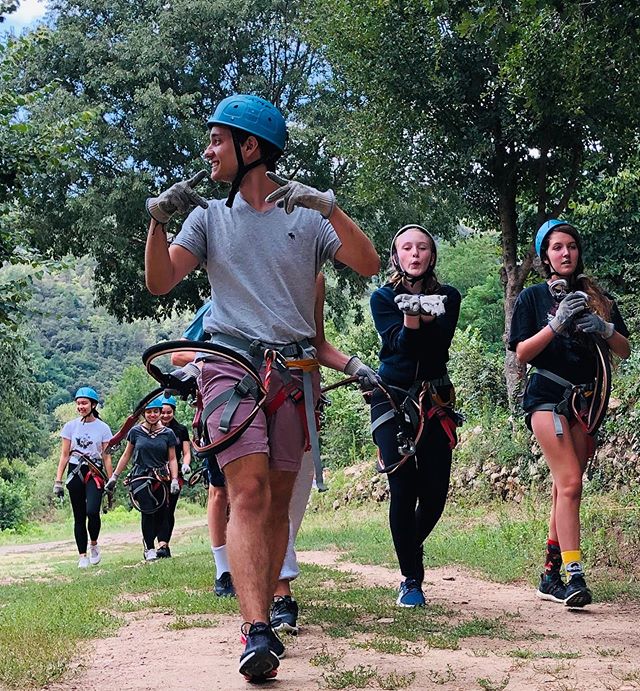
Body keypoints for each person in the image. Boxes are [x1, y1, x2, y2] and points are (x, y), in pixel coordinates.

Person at [144, 93, 379, 681]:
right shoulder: (208, 217)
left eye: (218, 139)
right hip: (229, 363)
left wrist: (330, 207)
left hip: (293, 371)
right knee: (246, 492)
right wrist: (157, 221)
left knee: (274, 502)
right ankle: (255, 630)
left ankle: (270, 608)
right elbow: (159, 281)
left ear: (250, 147)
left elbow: (369, 263)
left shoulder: (306, 219)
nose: (209, 150)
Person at [509, 219, 630, 607]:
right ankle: (575, 575)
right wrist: (557, 324)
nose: (565, 253)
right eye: (557, 247)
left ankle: (550, 574)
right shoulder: (532, 298)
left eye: (571, 246)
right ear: (545, 255)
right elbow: (522, 353)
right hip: (546, 396)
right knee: (572, 483)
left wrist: (604, 326)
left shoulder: (598, 297)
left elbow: (624, 349)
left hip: (587, 403)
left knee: (564, 488)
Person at [370, 224, 461, 607]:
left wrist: (420, 314)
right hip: (390, 397)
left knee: (436, 493)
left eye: (422, 248)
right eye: (406, 248)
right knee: (404, 488)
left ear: (432, 256)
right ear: (396, 256)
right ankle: (411, 578)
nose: (415, 254)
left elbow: (440, 342)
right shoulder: (383, 297)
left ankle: (408, 545)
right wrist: (411, 316)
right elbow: (400, 345)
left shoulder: (449, 296)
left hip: (435, 396)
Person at [106, 398, 180, 561]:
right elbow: (127, 455)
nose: (152, 415)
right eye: (149, 412)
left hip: (161, 476)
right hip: (140, 475)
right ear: (143, 414)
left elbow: (172, 458)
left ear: (160, 413)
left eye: (155, 411)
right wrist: (114, 477)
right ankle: (150, 548)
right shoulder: (135, 432)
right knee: (148, 509)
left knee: (162, 512)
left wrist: (174, 479)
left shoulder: (168, 434)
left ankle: (157, 543)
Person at [54, 387, 113, 568]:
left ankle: (94, 543)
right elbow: (64, 455)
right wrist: (58, 480)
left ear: (93, 405)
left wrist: (111, 479)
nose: (81, 406)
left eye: (84, 403)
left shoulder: (103, 428)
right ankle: (82, 556)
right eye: (79, 403)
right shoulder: (70, 426)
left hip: (94, 470)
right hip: (75, 470)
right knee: (79, 515)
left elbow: (106, 456)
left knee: (92, 511)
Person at [158, 395, 192, 557]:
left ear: (173, 412)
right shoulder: (152, 429)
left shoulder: (181, 430)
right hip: (155, 473)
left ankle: (164, 544)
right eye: (162, 412)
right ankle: (154, 543)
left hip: (174, 473)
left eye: (168, 412)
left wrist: (186, 464)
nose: (165, 416)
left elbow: (186, 452)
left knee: (168, 508)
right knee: (156, 508)